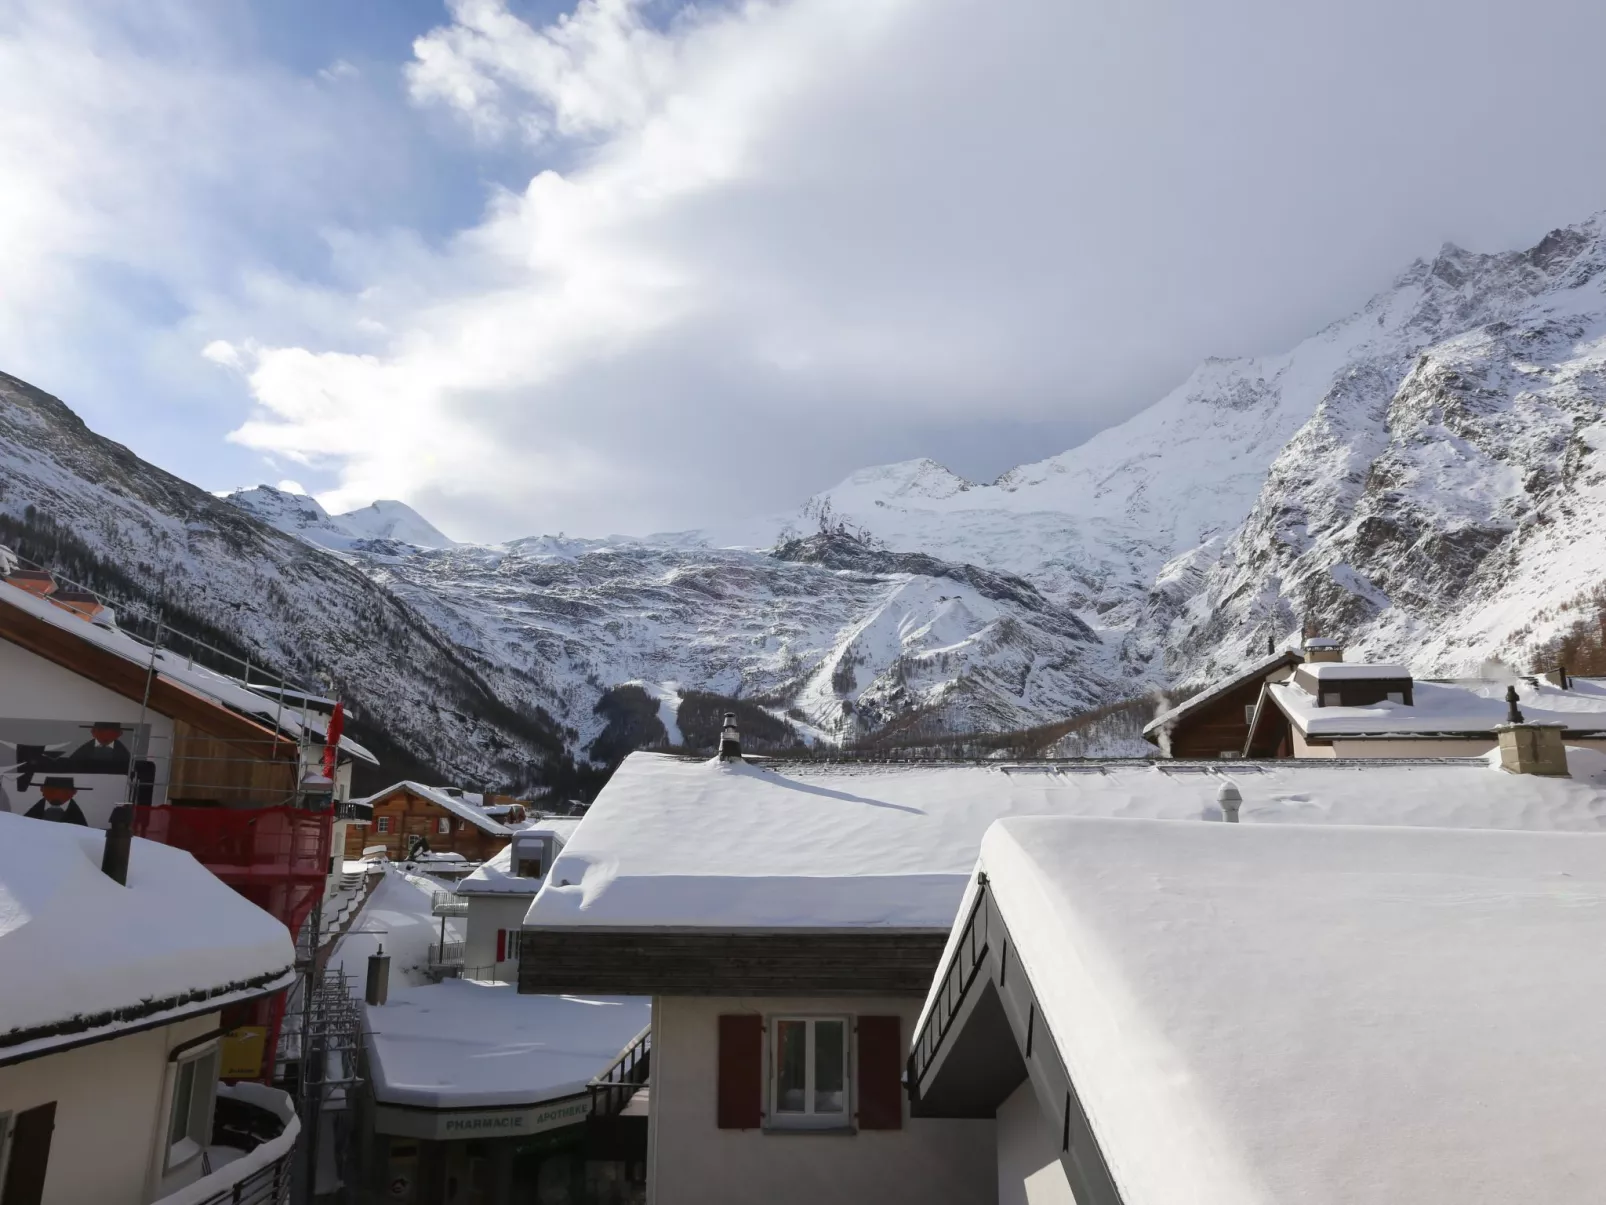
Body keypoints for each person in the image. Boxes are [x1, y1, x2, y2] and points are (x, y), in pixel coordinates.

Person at [63, 721, 132, 774]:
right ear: (93, 732)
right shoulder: (83, 750)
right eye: (101, 731)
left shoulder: (123, 752)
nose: (105, 735)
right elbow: (71, 768)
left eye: (110, 732)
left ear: (119, 733)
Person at [24, 777, 90, 825]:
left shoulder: (77, 817)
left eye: (64, 791)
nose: (57, 794)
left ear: (73, 792)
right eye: (51, 790)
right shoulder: (32, 813)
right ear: (42, 789)